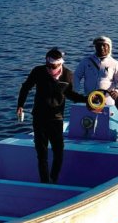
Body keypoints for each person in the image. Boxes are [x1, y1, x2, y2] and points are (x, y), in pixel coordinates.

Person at [17, 47, 86, 184]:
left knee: (59, 153)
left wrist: (87, 100)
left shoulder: (67, 75)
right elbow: (26, 87)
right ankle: (44, 182)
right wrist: (20, 105)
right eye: (47, 65)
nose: (49, 68)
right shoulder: (38, 71)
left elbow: (70, 94)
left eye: (52, 66)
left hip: (56, 119)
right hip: (39, 117)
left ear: (60, 64)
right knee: (41, 153)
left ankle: (53, 179)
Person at [74, 35, 118, 105]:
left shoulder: (115, 64)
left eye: (104, 45)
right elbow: (76, 76)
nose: (101, 48)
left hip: (107, 101)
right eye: (99, 45)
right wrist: (77, 92)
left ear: (109, 47)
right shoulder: (86, 61)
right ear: (95, 47)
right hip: (89, 99)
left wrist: (117, 91)